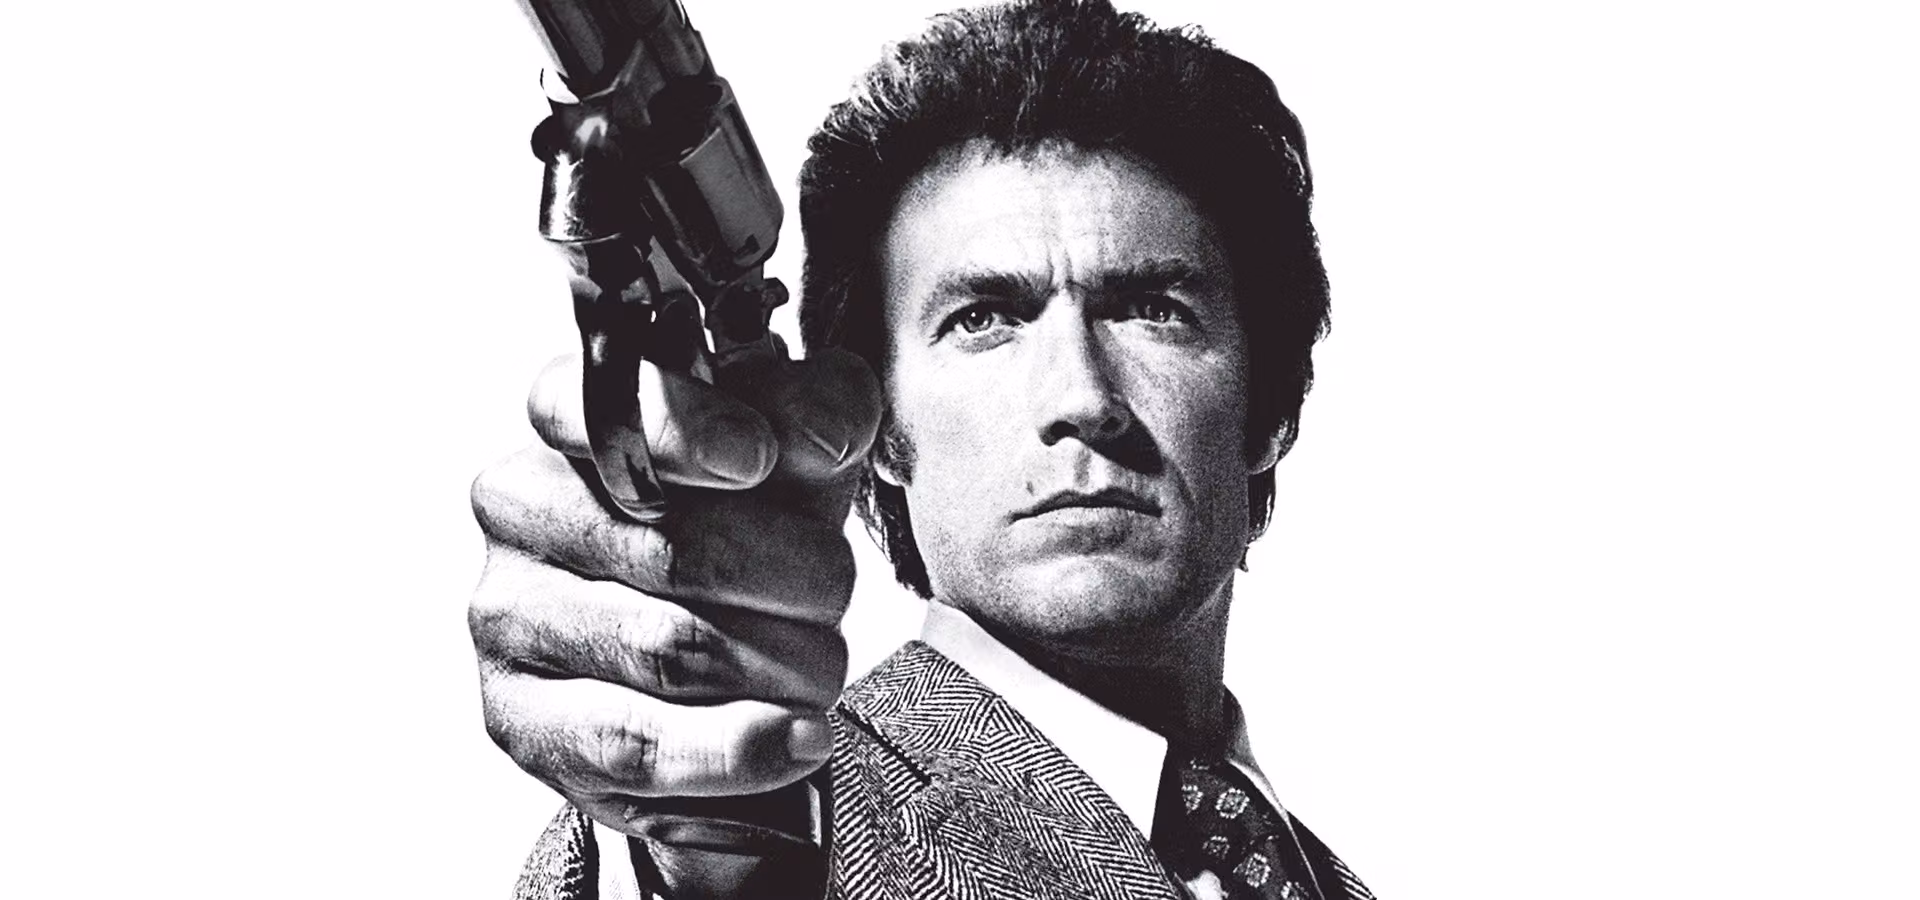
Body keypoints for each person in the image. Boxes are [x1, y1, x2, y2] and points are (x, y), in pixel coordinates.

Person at [469, 1, 1374, 897]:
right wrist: (690, 834)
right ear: (880, 430)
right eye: (983, 319)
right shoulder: (818, 815)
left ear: (1269, 410)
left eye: (1152, 312)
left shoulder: (1320, 877)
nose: (1083, 399)